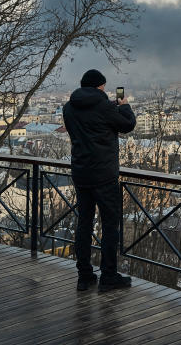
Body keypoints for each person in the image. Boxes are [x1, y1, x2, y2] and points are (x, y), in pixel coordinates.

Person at [63, 69, 136, 292]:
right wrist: (123, 105)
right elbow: (127, 124)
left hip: (81, 173)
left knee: (84, 224)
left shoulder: (68, 108)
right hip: (104, 175)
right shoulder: (104, 107)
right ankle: (108, 276)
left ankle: (84, 276)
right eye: (103, 86)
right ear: (99, 86)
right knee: (110, 225)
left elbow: (86, 128)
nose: (105, 90)